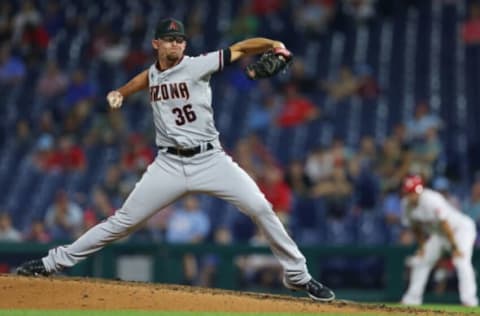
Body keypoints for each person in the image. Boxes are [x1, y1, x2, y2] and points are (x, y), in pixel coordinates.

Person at [16, 17, 334, 302]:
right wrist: (122, 92)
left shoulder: (196, 65)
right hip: (168, 165)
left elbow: (239, 48)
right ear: (156, 43)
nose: (176, 44)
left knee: (261, 208)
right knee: (120, 223)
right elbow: (147, 78)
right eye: (170, 39)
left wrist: (273, 44)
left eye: (180, 39)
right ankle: (50, 263)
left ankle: (298, 276)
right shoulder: (154, 73)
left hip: (211, 161)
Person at [400, 175, 478, 306]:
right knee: (421, 260)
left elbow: (445, 224)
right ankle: (411, 299)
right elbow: (415, 227)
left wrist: (455, 247)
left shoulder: (432, 199)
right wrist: (422, 247)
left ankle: (469, 300)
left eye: (415, 192)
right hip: (440, 234)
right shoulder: (405, 205)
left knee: (461, 261)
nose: (413, 195)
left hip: (460, 230)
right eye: (410, 192)